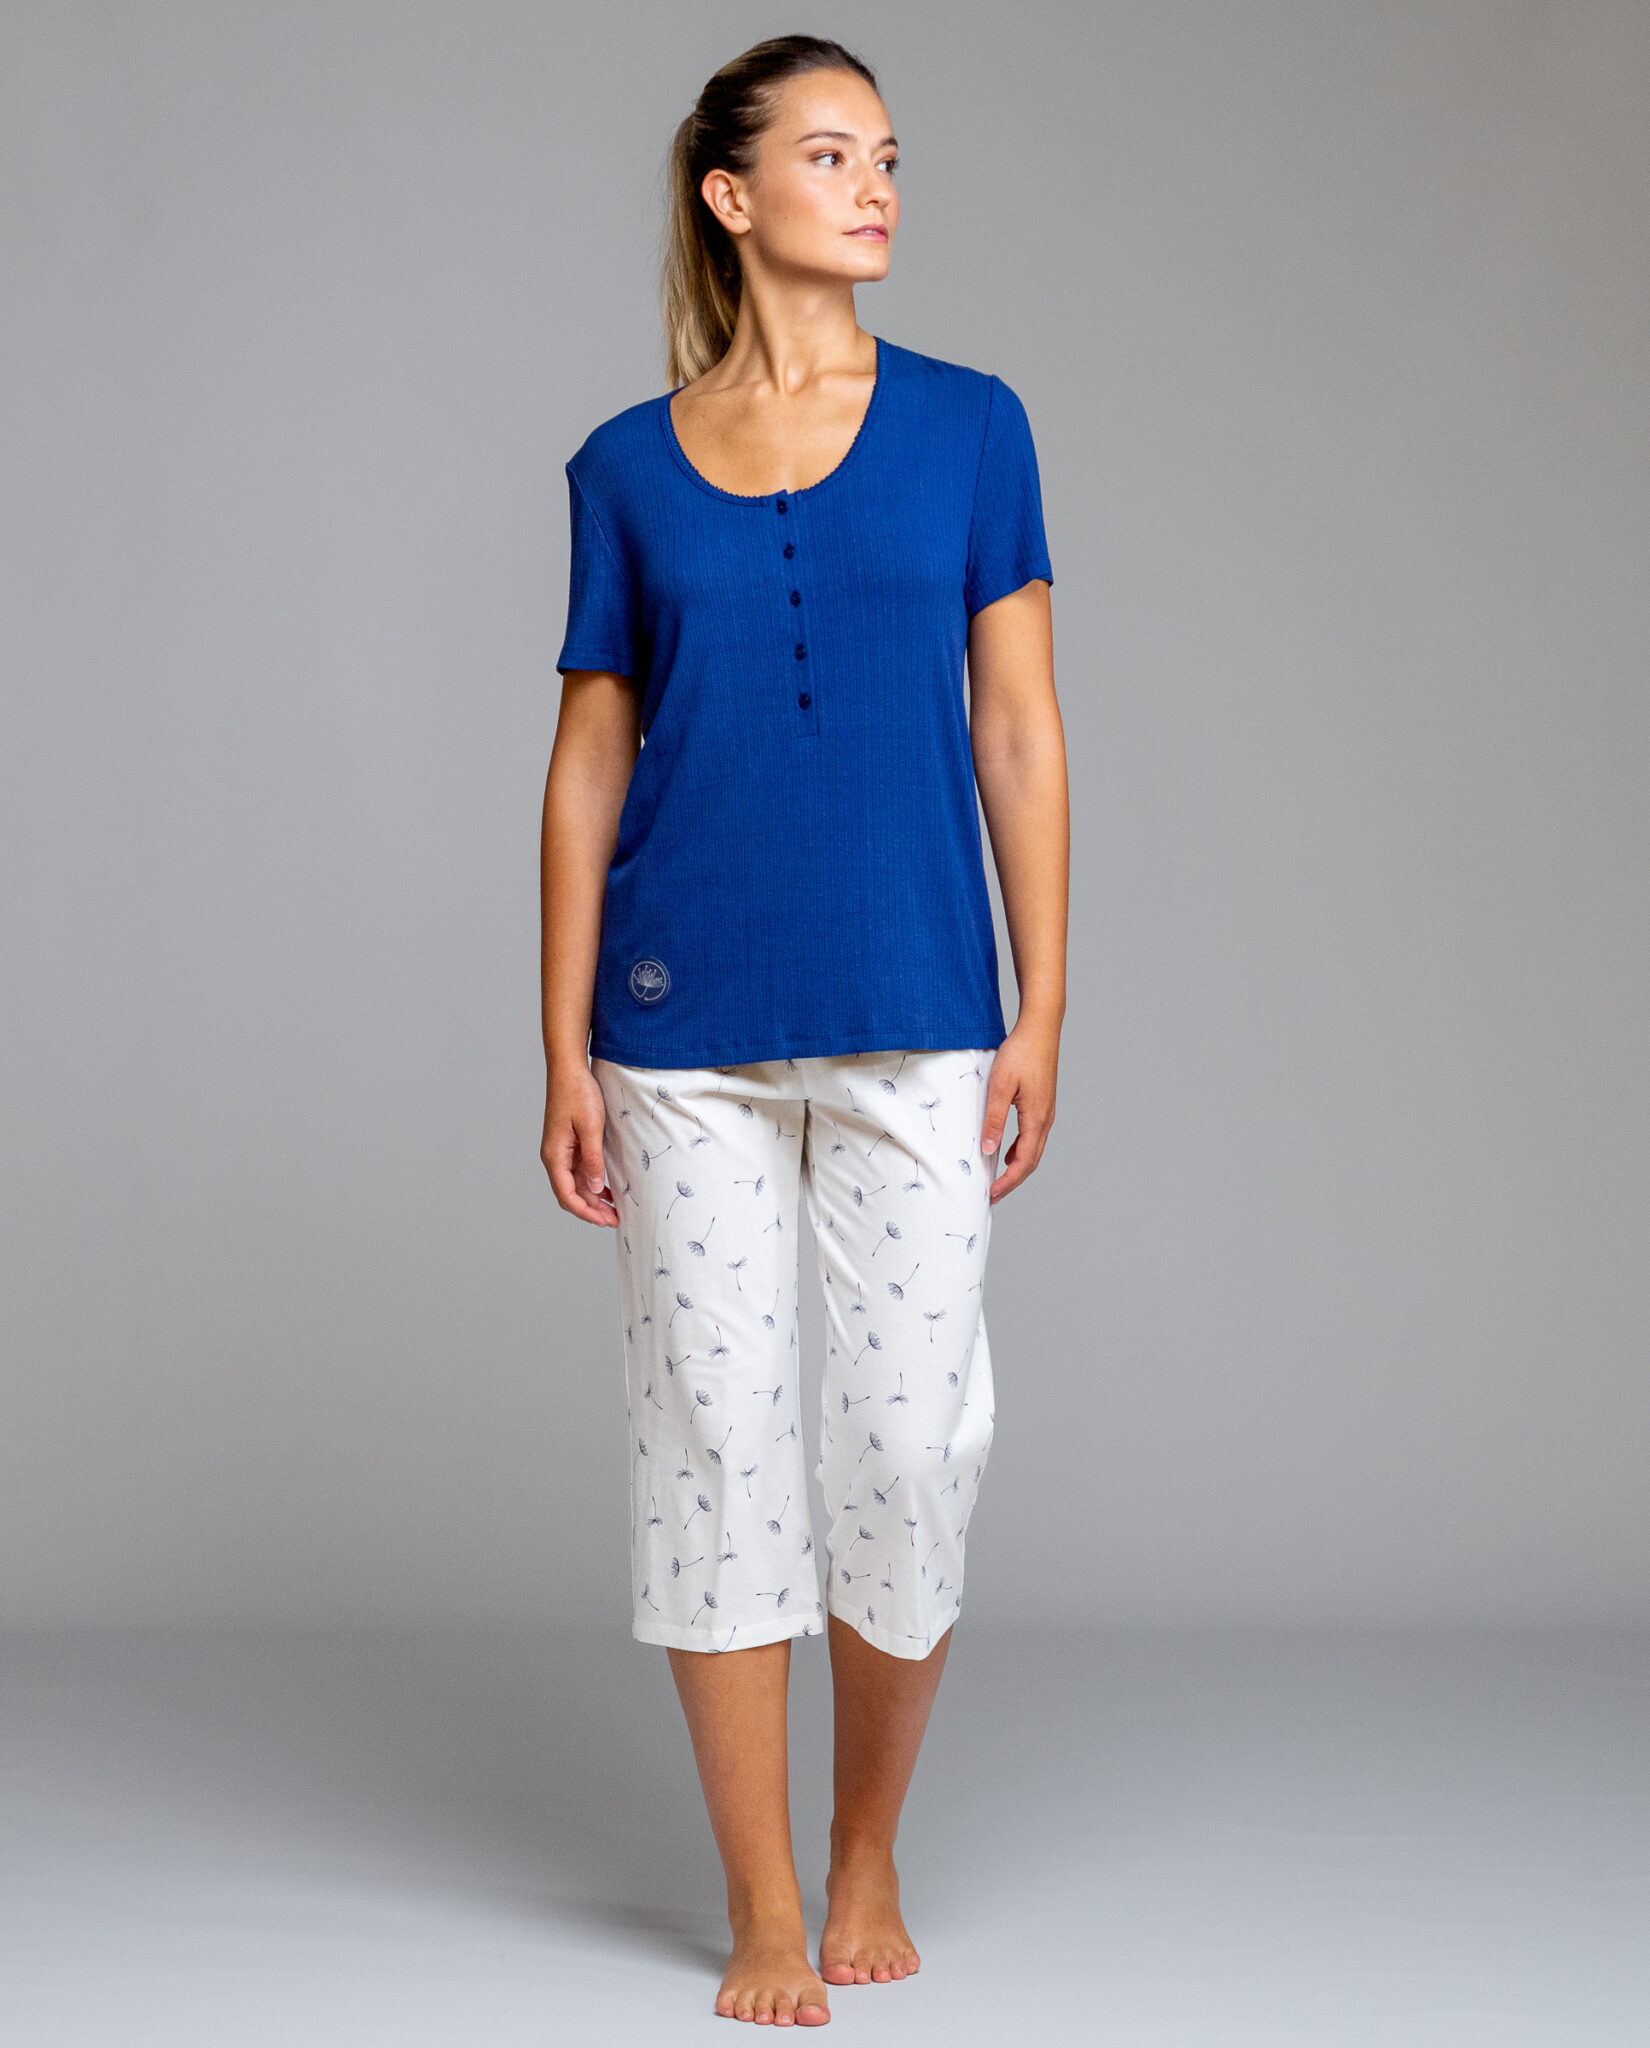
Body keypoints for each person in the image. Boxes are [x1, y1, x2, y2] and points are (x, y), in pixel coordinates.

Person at [539, 33, 1068, 2028]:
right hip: (675, 1019)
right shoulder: (622, 465)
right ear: (730, 192)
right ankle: (763, 1897)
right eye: (832, 156)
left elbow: (1018, 728)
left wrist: (1043, 1000)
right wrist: (558, 1041)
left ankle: (867, 1845)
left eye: (889, 157)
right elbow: (587, 768)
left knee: (914, 1441)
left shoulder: (974, 429)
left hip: (920, 1001)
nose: (876, 189)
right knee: (712, 1442)